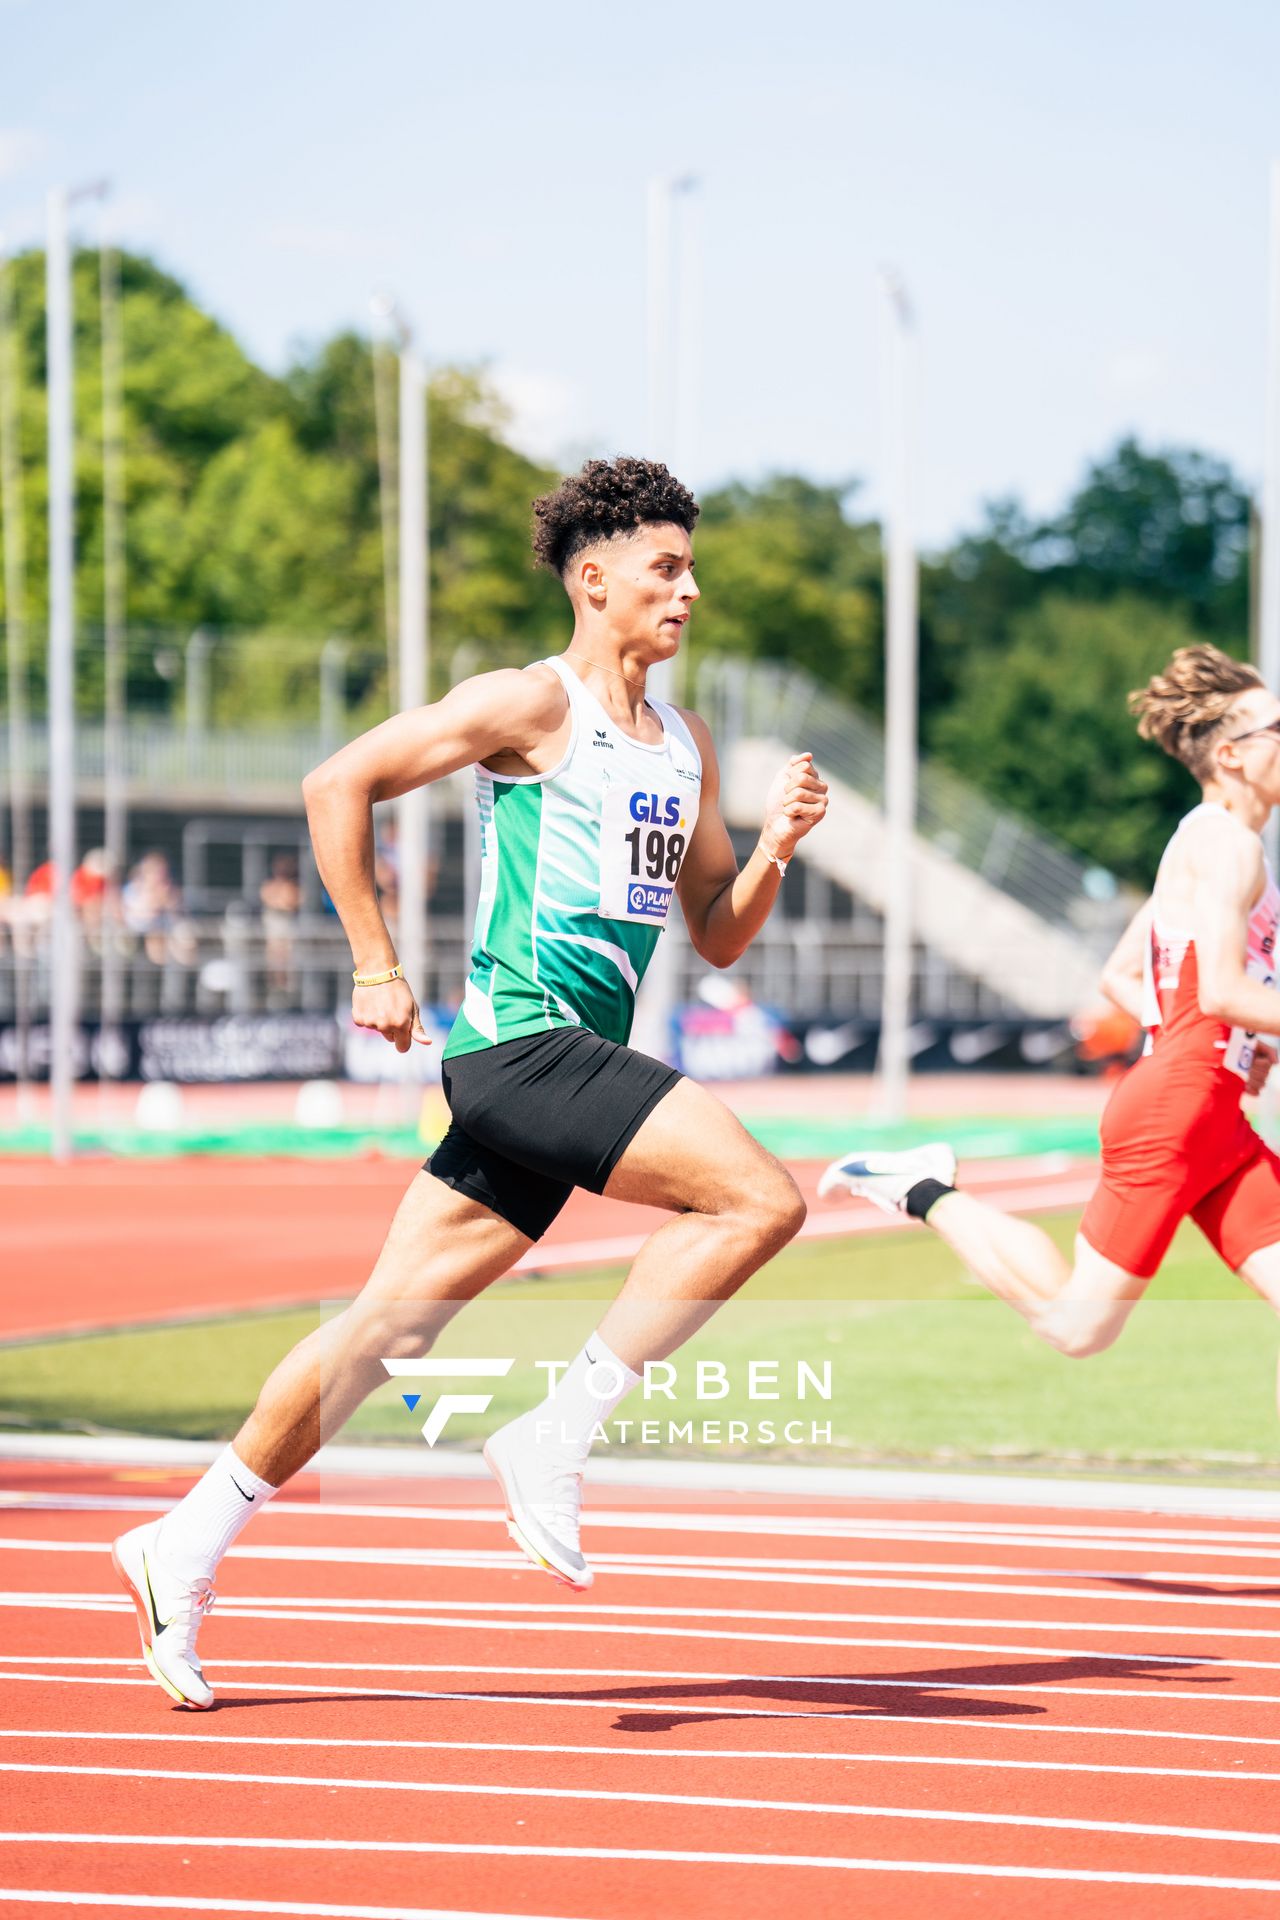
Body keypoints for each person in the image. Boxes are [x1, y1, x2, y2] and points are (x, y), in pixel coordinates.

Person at [112, 455, 828, 1709]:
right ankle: (554, 1431)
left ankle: (182, 1542)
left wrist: (770, 847)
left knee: (382, 1333)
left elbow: (714, 930)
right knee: (758, 1202)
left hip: (564, 1066)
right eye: (666, 568)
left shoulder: (686, 742)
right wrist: (375, 965)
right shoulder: (530, 703)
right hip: (519, 1047)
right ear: (591, 579)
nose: (689, 590)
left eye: (690, 567)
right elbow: (337, 782)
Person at [819, 643, 1280, 1365]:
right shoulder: (1228, 847)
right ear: (1231, 756)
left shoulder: (1208, 841)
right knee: (1076, 1325)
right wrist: (1211, 1038)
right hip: (1178, 1111)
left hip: (1210, 1109)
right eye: (1277, 730)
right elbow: (1220, 990)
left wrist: (1235, 1044)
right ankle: (919, 1186)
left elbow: (1124, 975)